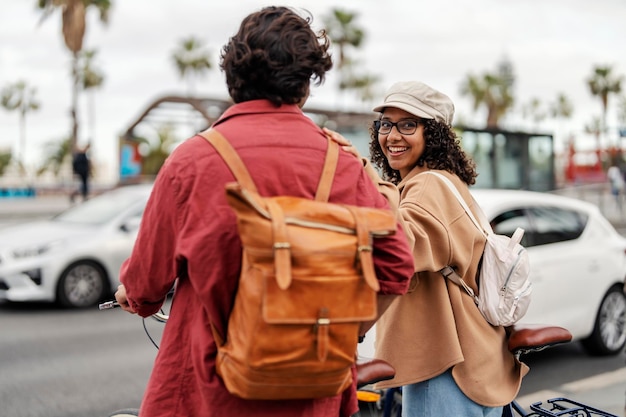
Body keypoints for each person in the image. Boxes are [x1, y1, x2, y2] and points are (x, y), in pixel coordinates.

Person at [113, 7, 414, 417]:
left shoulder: (192, 161)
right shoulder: (342, 163)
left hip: (208, 393)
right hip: (313, 393)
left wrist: (133, 297)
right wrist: (344, 331)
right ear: (305, 86)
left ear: (232, 80)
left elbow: (147, 284)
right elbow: (397, 265)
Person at [325, 81, 528, 416]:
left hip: (447, 367)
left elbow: (401, 245)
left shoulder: (428, 185)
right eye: (386, 124)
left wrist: (357, 171)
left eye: (408, 125)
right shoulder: (443, 180)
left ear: (433, 133)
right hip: (473, 357)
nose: (392, 136)